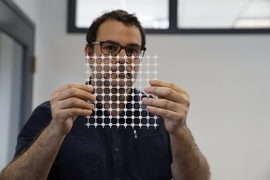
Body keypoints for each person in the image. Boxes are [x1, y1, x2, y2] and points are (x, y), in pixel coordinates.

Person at [0, 10, 210, 180]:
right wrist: (55, 131)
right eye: (110, 48)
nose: (122, 58)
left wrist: (180, 130)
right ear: (89, 54)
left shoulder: (160, 115)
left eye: (132, 51)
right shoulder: (52, 115)